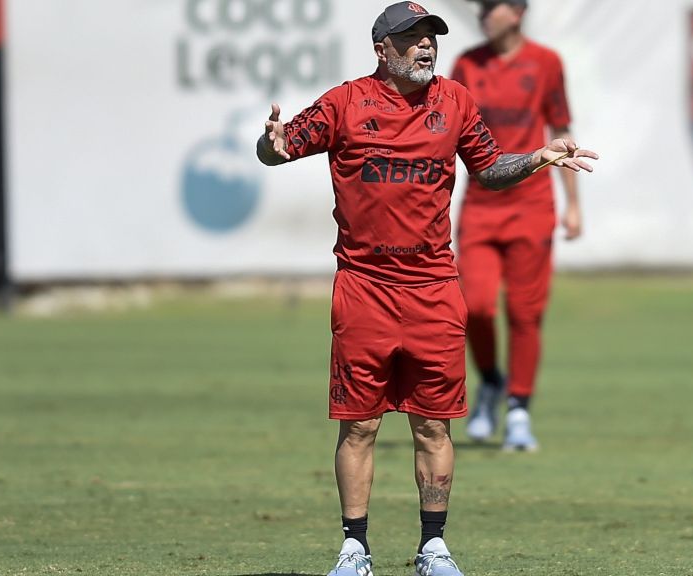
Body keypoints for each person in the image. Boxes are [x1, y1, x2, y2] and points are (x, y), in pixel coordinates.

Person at [256, 3, 598, 575]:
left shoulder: (455, 101)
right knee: (360, 423)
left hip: (434, 287)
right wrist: (270, 143)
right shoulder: (345, 103)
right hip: (364, 286)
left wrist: (538, 158)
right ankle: (354, 549)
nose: (425, 47)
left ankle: (433, 547)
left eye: (430, 37)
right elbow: (280, 148)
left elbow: (487, 168)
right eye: (411, 38)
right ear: (381, 50)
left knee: (432, 423)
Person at [451, 0, 581, 451]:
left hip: (532, 203)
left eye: (493, 5)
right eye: (482, 6)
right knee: (476, 305)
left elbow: (560, 130)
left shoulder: (546, 63)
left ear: (518, 12)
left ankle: (520, 410)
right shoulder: (467, 63)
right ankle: (490, 382)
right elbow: (449, 132)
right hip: (481, 204)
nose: (484, 12)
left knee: (526, 313)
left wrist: (573, 205)